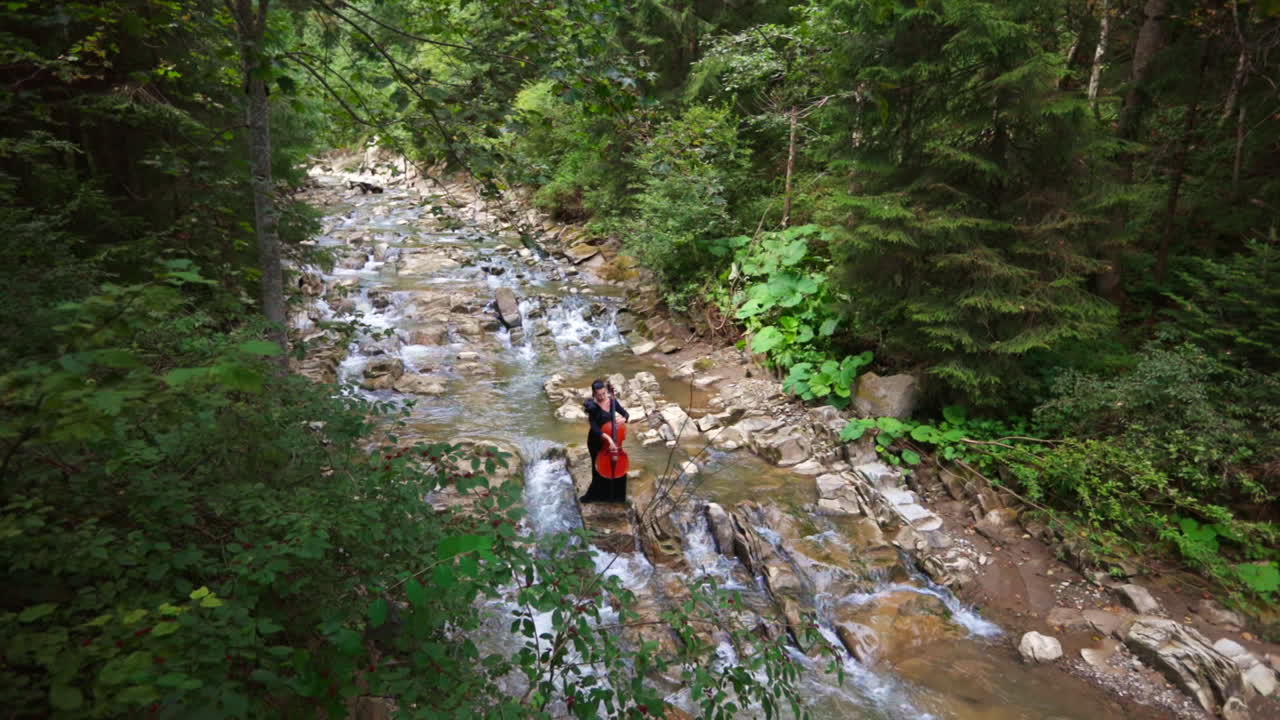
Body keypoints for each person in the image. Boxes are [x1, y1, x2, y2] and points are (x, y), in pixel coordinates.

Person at [580, 379, 629, 503]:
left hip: (614, 439)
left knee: (618, 466)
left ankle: (617, 496)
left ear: (606, 391)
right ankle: (596, 495)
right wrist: (608, 440)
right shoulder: (592, 406)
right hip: (596, 441)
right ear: (594, 394)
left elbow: (626, 414)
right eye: (598, 395)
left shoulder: (612, 402)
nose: (601, 397)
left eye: (603, 394)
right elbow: (594, 427)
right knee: (597, 469)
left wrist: (624, 419)